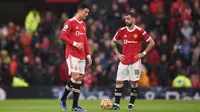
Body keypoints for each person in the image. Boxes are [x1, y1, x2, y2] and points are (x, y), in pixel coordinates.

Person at [110, 12, 155, 110]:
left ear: (133, 19)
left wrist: (143, 54)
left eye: (128, 19)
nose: (126, 21)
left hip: (135, 61)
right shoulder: (121, 30)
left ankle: (131, 105)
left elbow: (152, 42)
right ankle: (116, 105)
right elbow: (112, 42)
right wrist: (118, 54)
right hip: (123, 60)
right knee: (118, 81)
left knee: (134, 83)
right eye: (125, 19)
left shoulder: (140, 31)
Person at [59, 3, 92, 111]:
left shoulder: (83, 24)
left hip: (81, 55)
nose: (87, 14)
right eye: (85, 12)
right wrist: (74, 43)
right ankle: (63, 98)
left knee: (79, 80)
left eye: (88, 12)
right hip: (72, 54)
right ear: (80, 11)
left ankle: (75, 106)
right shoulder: (70, 22)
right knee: (76, 77)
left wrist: (88, 54)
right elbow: (62, 36)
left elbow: (85, 41)